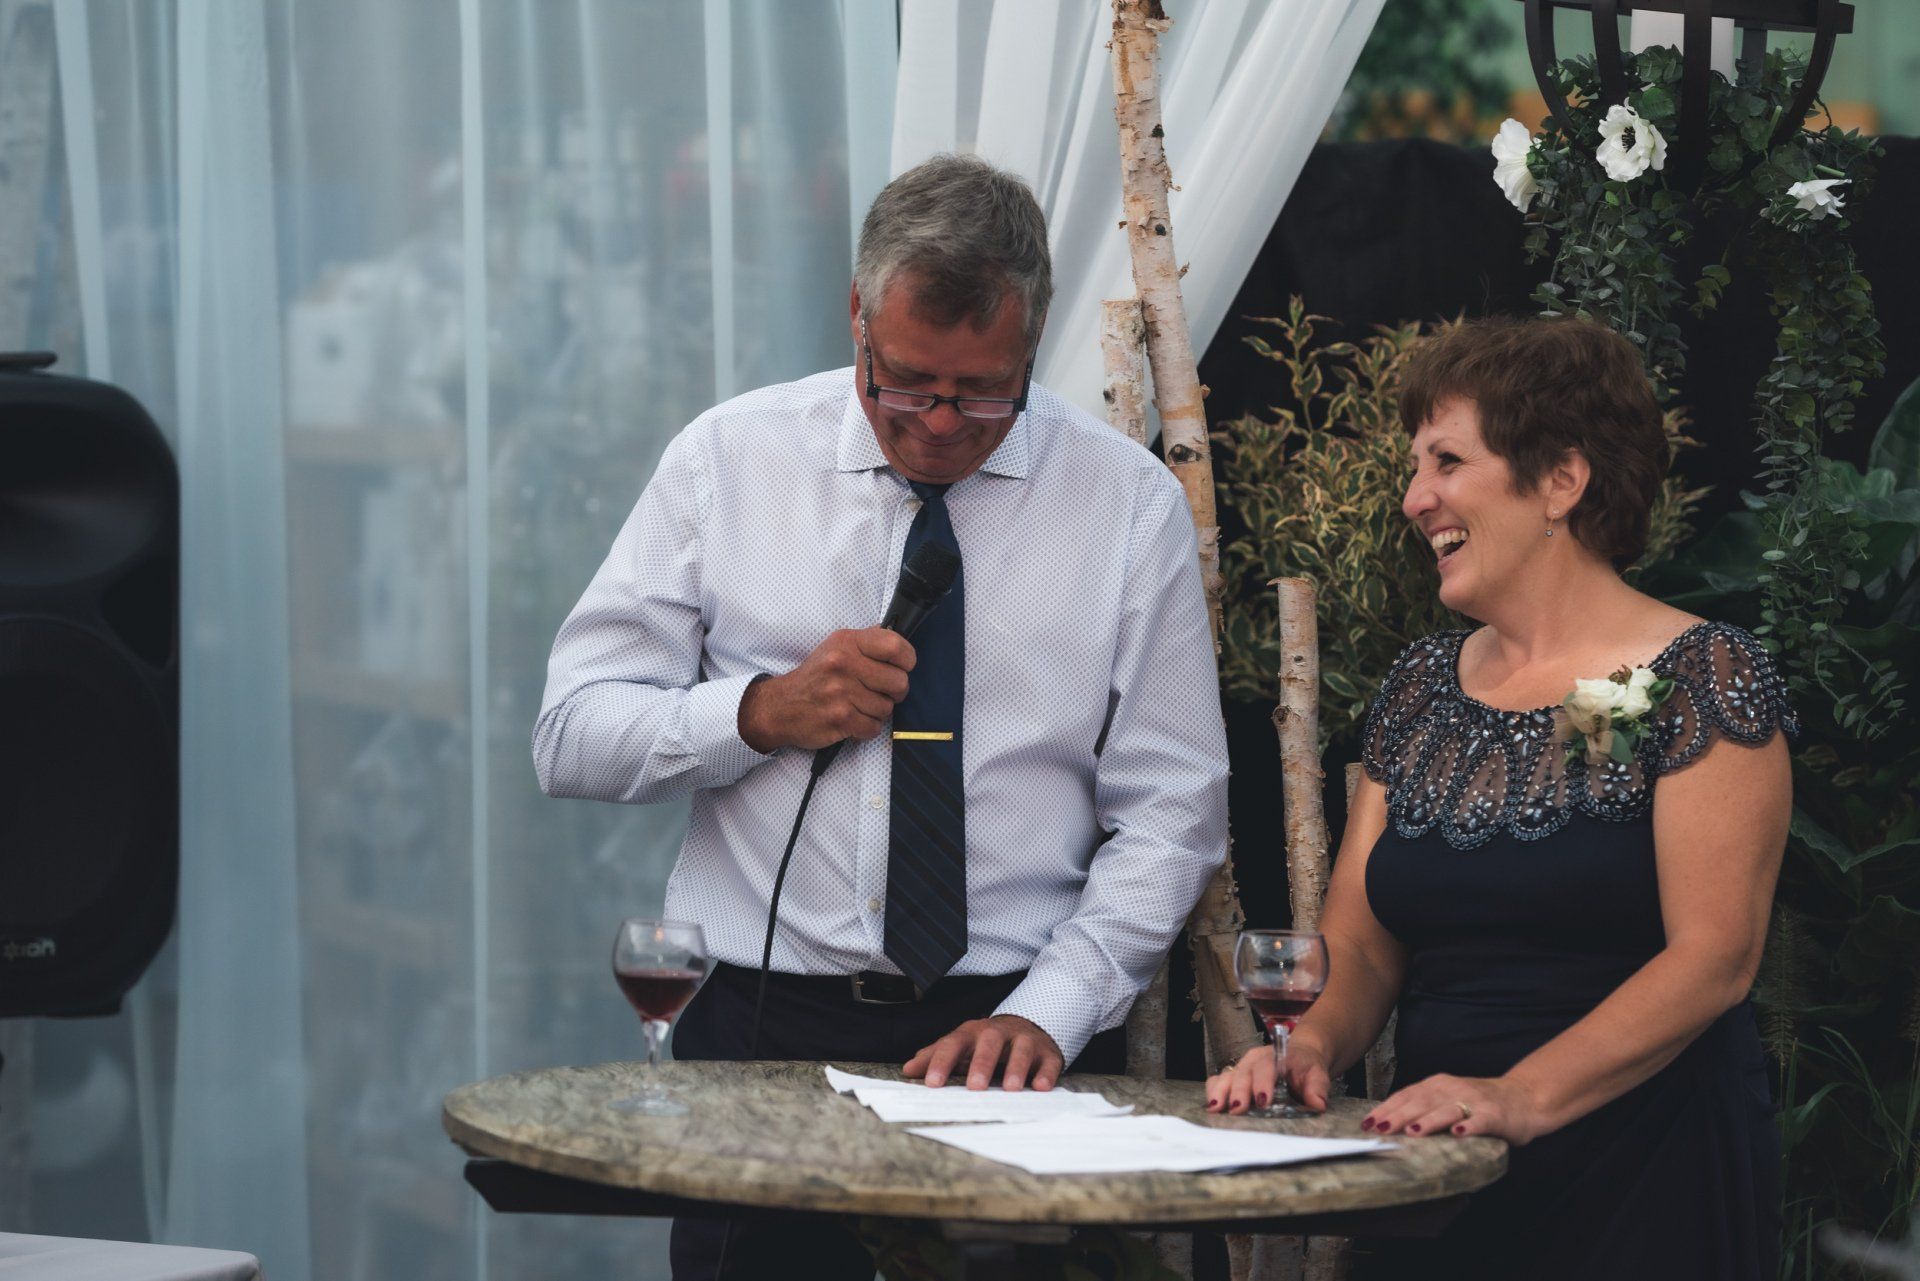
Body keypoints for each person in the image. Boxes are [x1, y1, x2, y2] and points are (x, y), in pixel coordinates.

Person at [535, 153, 1229, 1280]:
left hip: (1008, 1040)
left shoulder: (1125, 503)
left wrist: (1051, 1011)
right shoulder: (728, 462)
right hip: (762, 1028)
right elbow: (569, 732)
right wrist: (756, 713)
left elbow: (1175, 809)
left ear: (1036, 340)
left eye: (984, 391)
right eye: (904, 383)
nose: (942, 422)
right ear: (855, 316)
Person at [1206, 314, 1792, 1280]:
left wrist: (1518, 1095)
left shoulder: (1691, 675)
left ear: (1562, 478)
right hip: (1440, 1167)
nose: (1413, 497)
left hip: (1640, 1178)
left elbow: (1715, 957)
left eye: (1445, 460)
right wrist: (1308, 1047)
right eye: (1414, 465)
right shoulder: (1422, 687)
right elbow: (1358, 943)